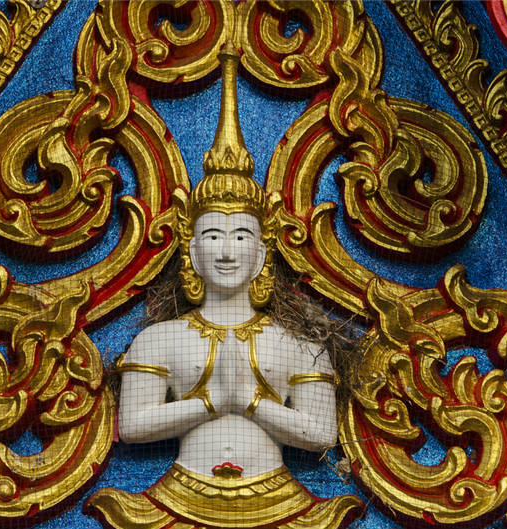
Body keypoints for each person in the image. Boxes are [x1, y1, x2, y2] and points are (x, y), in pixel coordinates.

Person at [85, 43, 363, 529]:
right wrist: (211, 402)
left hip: (282, 498)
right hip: (180, 494)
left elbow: (322, 432)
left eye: (241, 237)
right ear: (192, 252)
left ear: (262, 255)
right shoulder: (159, 339)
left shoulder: (300, 343)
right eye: (213, 236)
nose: (227, 251)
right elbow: (131, 424)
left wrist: (251, 403)